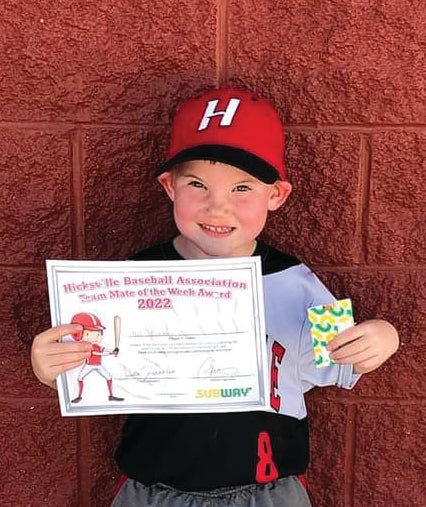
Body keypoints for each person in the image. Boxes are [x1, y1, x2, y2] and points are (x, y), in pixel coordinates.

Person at [31, 87, 399, 507]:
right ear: (170, 186)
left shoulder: (293, 280)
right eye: (197, 184)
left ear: (275, 194)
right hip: (153, 492)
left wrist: (383, 336)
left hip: (268, 491)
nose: (217, 207)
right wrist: (51, 367)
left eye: (242, 188)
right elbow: (83, 366)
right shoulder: (130, 282)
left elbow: (345, 356)